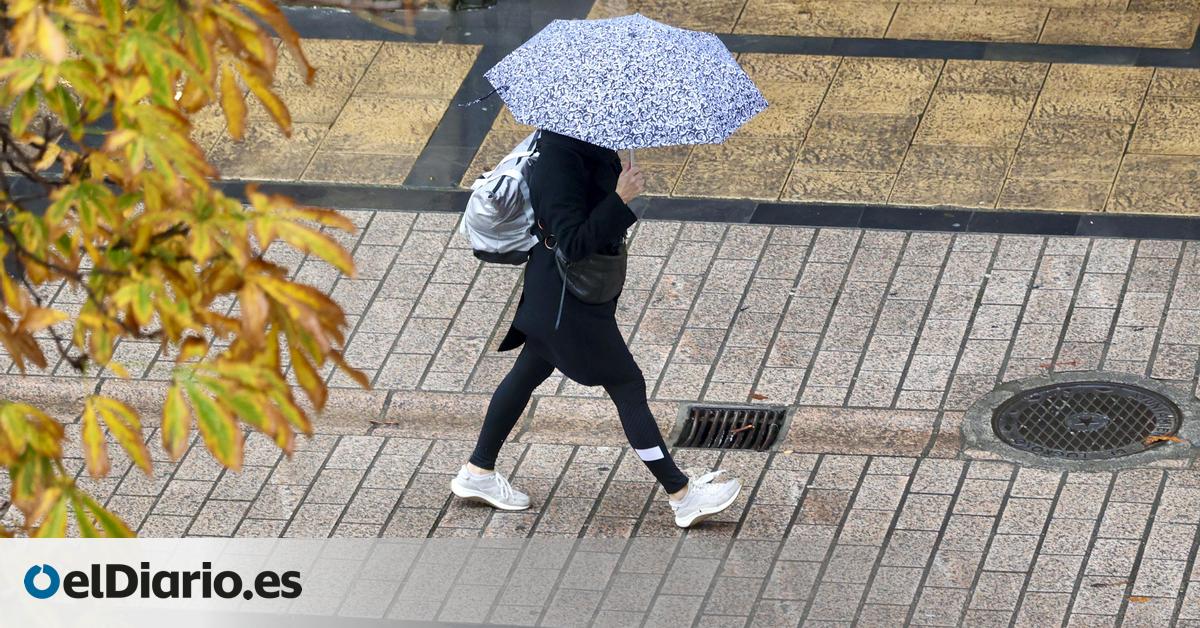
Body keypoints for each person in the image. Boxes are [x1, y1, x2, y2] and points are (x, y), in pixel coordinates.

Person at [450, 129, 741, 528]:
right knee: (626, 385)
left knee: (527, 372)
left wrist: (612, 182)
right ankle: (682, 495)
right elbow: (573, 242)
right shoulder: (558, 160)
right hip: (566, 304)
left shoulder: (582, 144)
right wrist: (620, 197)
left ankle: (478, 472)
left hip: (560, 294)